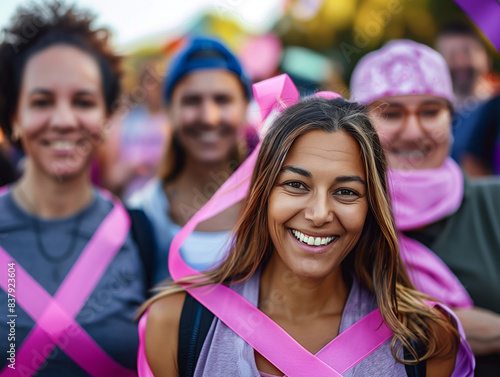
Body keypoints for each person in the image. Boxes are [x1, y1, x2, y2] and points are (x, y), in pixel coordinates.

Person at [137, 83, 474, 376]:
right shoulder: (176, 324)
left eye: (346, 192)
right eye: (296, 185)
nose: (319, 214)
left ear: (372, 207)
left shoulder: (427, 340)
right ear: (262, 194)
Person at [0, 2, 154, 375]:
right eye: (42, 101)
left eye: (83, 101)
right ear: (15, 117)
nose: (65, 120)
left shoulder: (140, 234)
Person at [350, 39, 500, 376]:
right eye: (391, 113)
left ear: (451, 117)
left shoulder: (494, 204)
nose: (414, 131)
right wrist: (443, 327)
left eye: (430, 111)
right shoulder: (337, 219)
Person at [128, 36, 256, 284]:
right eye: (191, 101)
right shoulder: (141, 214)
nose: (208, 117)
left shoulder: (275, 205)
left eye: (222, 100)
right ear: (169, 112)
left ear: (244, 108)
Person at [101, 61, 170, 200]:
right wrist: (131, 167)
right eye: (149, 82)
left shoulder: (172, 121)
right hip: (132, 200)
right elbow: (112, 178)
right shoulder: (127, 122)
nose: (153, 89)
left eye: (158, 82)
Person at [435, 21, 500, 164]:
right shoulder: (426, 113)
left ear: (486, 57)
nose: (460, 62)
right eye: (451, 55)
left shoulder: (496, 106)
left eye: (467, 52)